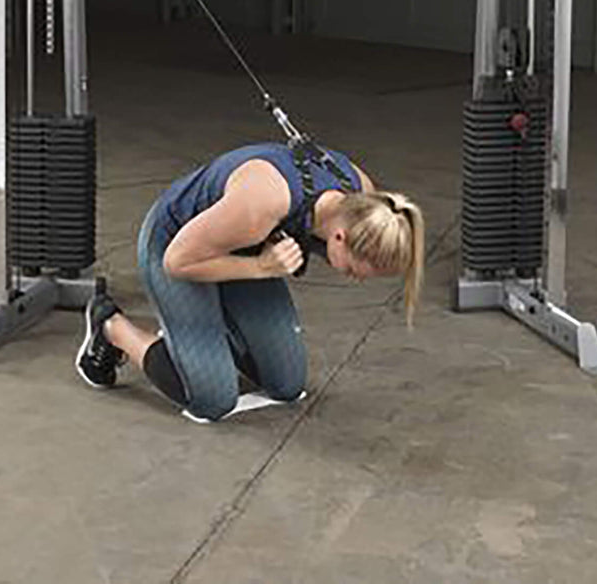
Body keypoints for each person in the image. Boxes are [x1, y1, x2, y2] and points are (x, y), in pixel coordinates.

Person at [75, 140, 425, 422]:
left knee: (287, 384)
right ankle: (111, 327)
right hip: (177, 243)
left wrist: (261, 262)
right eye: (352, 270)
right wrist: (261, 267)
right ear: (338, 238)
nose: (355, 279)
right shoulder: (264, 202)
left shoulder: (365, 200)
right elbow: (177, 262)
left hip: (247, 244)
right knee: (212, 400)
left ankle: (204, 339)